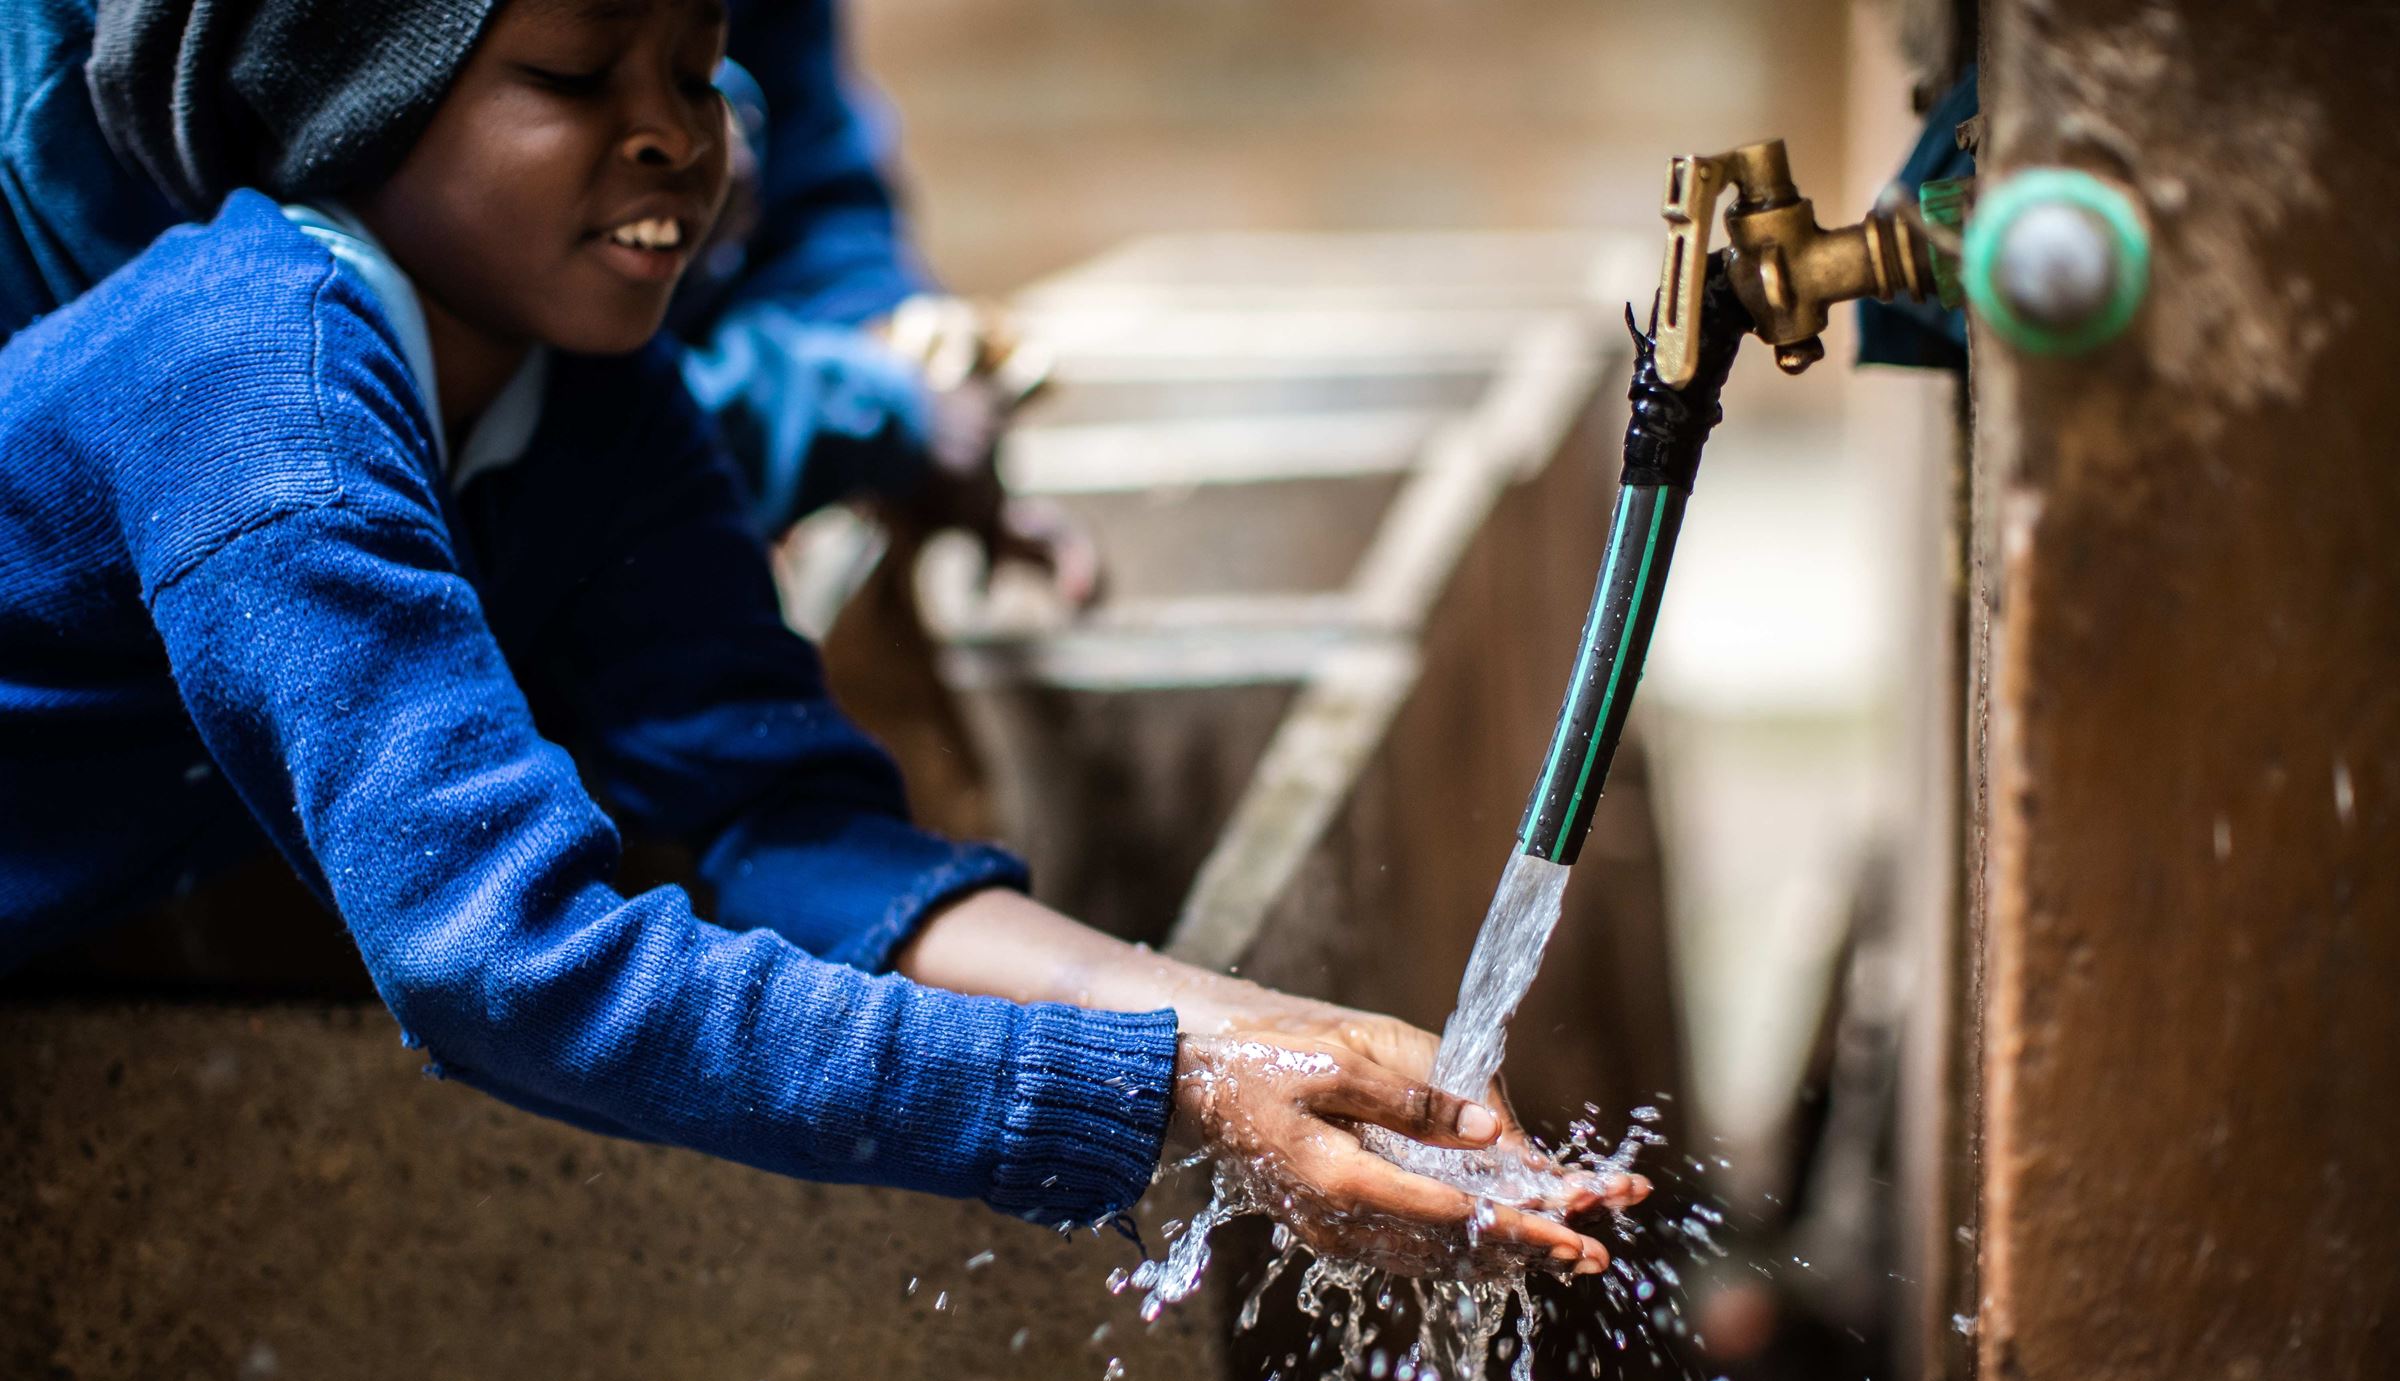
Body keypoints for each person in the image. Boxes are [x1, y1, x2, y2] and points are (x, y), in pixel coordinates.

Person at [0, 0, 1643, 1277]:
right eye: (576, 74)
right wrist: (1144, 1098)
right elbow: (510, 966)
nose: (672, 134)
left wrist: (1234, 1031)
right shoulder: (251, 391)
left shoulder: (589, 396)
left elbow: (784, 828)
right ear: (350, 101)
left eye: (700, 63)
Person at [0, 0, 1064, 571]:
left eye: (697, 72)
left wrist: (889, 349)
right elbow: (380, 456)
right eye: (571, 74)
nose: (694, 137)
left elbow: (805, 175)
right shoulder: (238, 340)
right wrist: (851, 414)